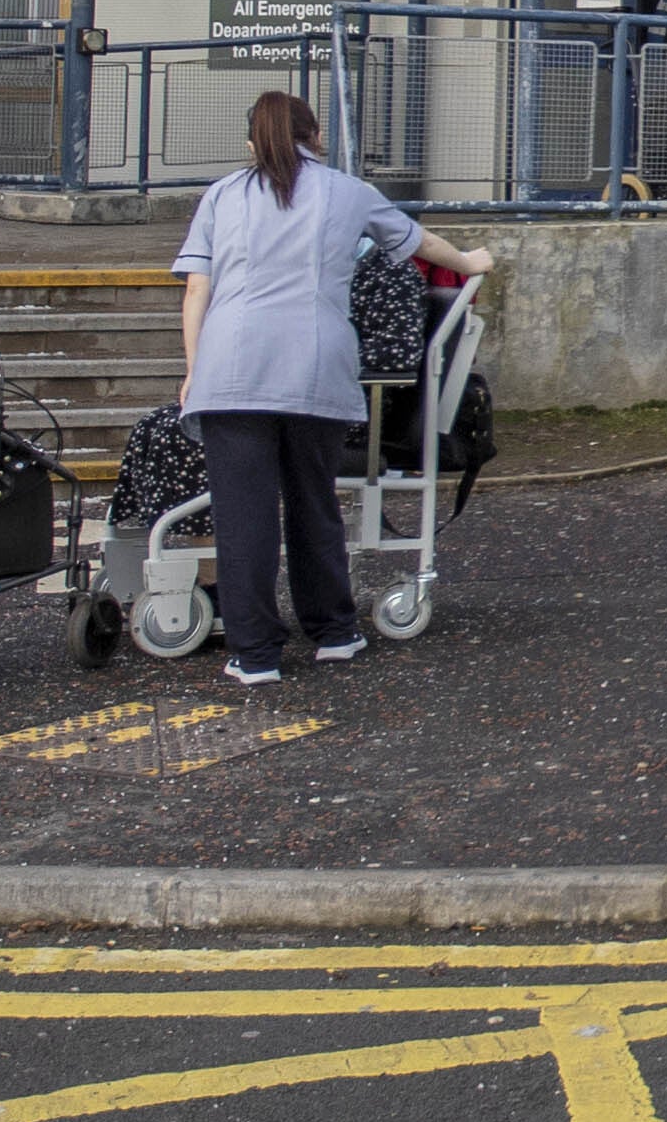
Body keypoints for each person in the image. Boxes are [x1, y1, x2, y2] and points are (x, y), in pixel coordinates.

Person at [173, 89, 491, 685]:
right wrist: (471, 262)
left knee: (244, 519)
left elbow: (197, 289)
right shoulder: (348, 192)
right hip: (316, 366)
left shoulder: (221, 196)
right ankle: (334, 632)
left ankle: (255, 654)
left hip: (232, 371)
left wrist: (194, 369)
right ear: (316, 137)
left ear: (251, 143)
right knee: (313, 503)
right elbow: (420, 244)